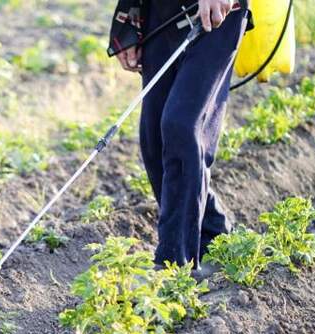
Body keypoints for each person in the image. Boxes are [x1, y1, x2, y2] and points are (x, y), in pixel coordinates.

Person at [108, 0, 251, 278]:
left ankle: (175, 266)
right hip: (159, 13)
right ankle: (215, 234)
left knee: (182, 127)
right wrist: (127, 23)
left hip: (216, 12)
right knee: (154, 140)